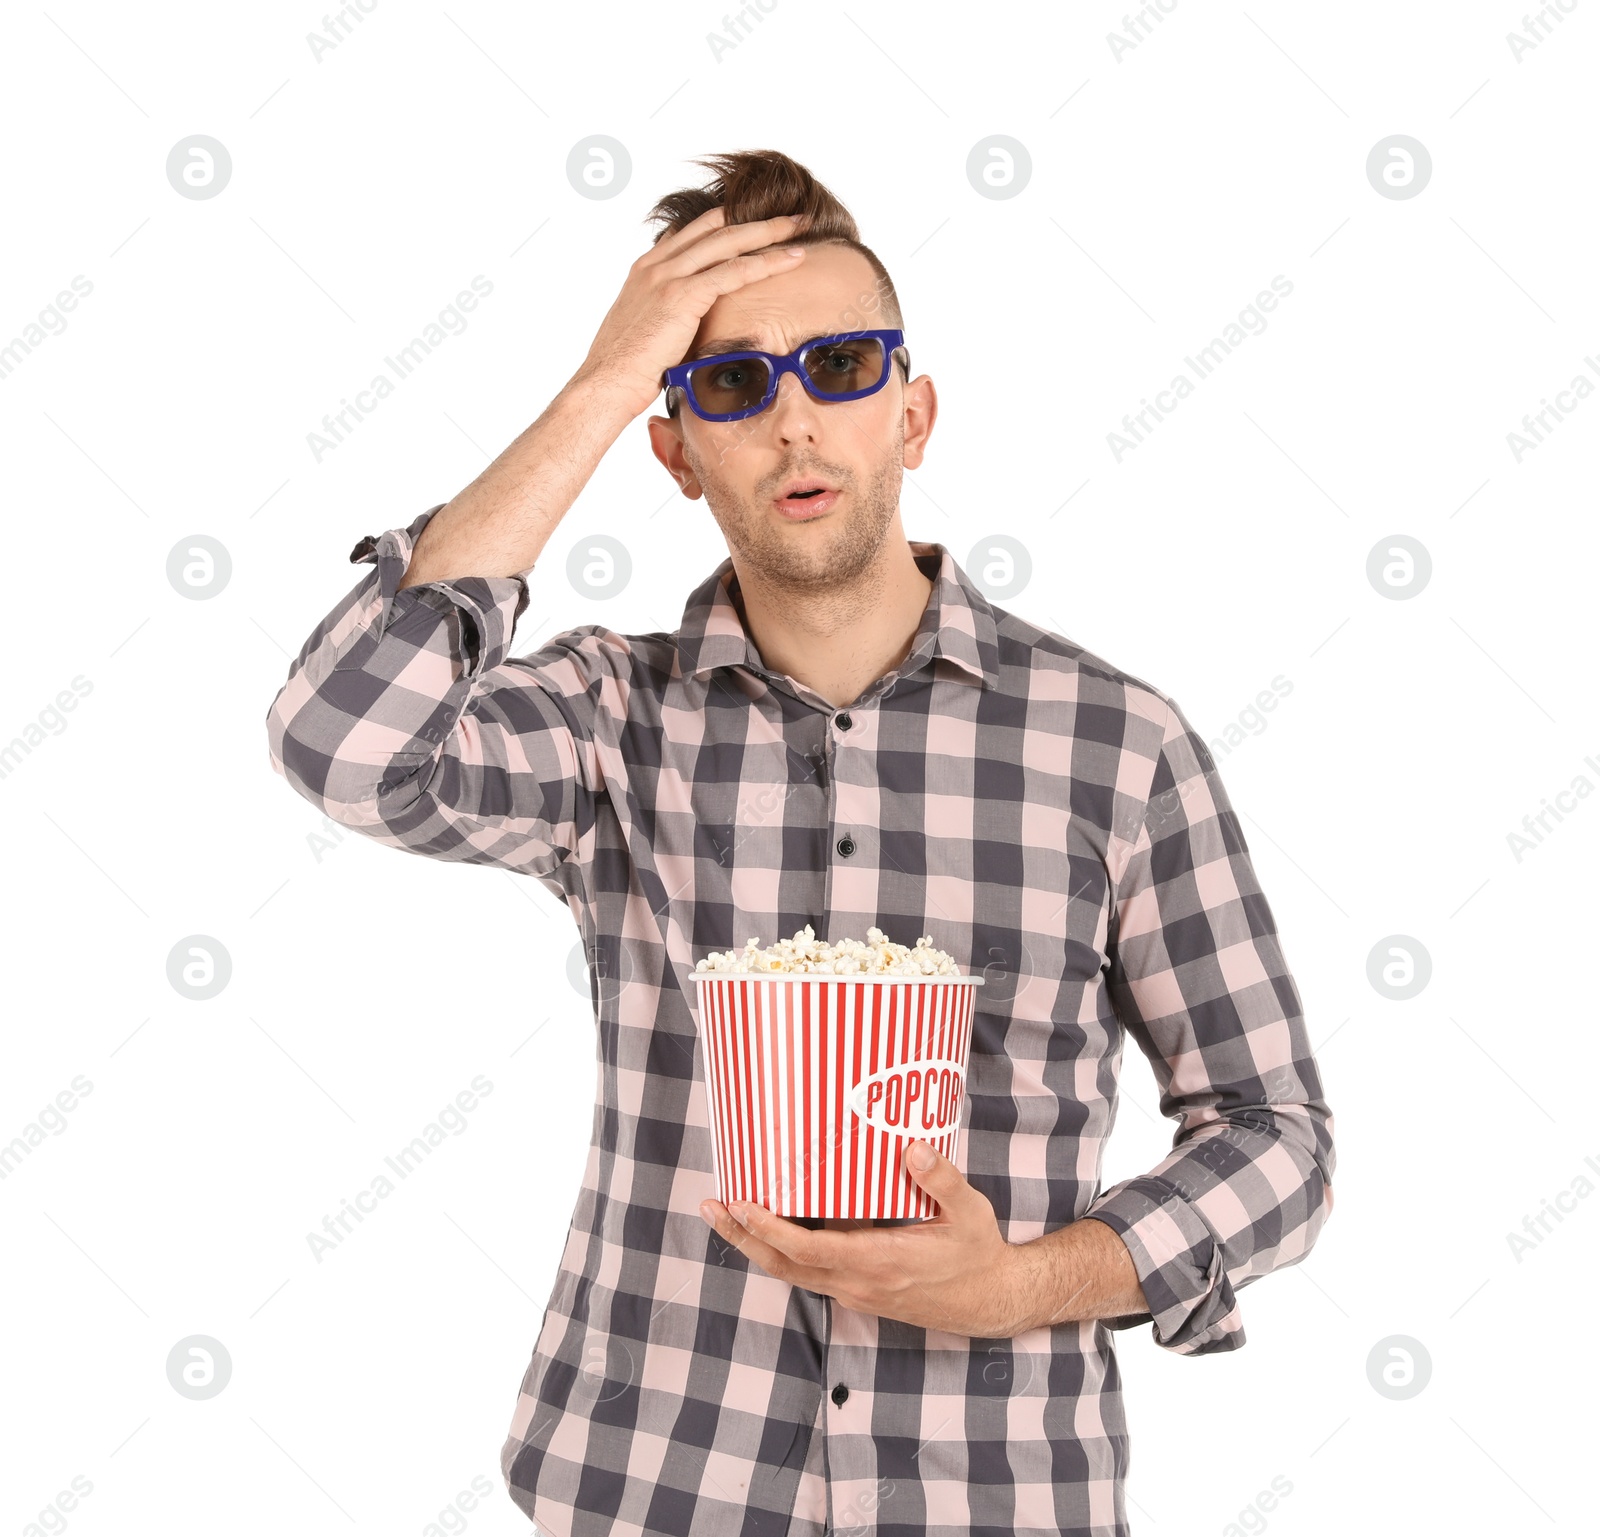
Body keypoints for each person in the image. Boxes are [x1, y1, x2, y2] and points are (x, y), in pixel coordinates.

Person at [265, 149, 1336, 1537]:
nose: (792, 423)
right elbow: (342, 735)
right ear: (676, 450)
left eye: (840, 366)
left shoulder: (1115, 744)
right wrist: (599, 384)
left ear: (914, 411)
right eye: (727, 385)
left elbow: (1277, 1141)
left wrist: (1017, 1283)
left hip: (992, 1497)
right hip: (657, 1483)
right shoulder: (609, 722)